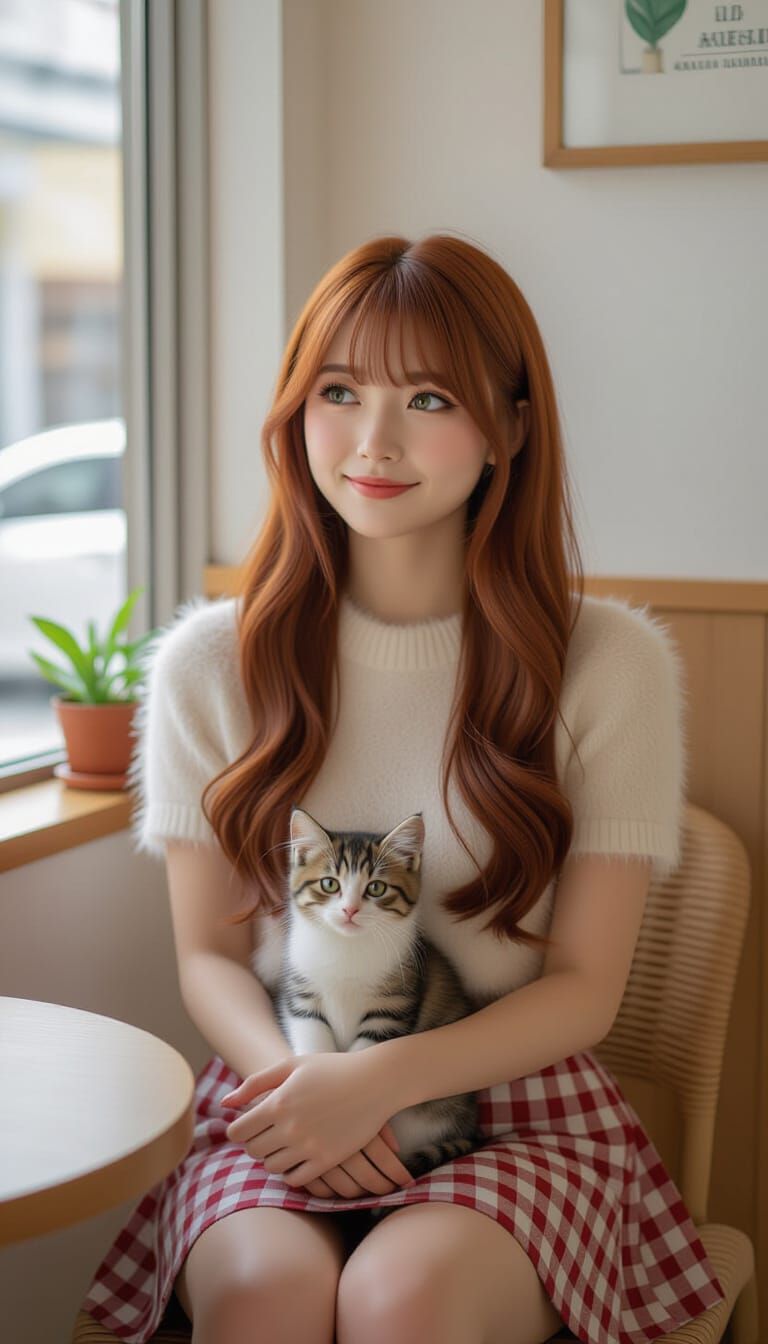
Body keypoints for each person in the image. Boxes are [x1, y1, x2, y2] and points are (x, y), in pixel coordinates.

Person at [78, 232, 724, 1344]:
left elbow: (583, 989)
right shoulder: (208, 664)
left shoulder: (607, 662)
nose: (372, 441)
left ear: (511, 427)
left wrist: (383, 1085)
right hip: (279, 1080)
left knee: (403, 1302)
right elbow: (208, 959)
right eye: (339, 391)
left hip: (516, 1104)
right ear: (297, 410)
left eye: (428, 398)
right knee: (267, 1295)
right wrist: (308, 1086)